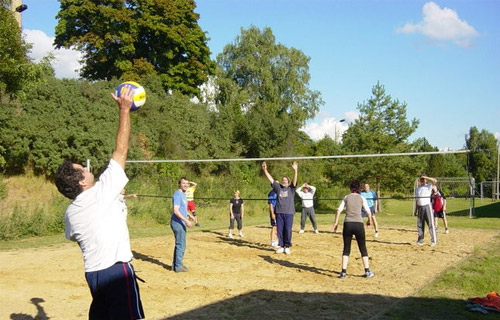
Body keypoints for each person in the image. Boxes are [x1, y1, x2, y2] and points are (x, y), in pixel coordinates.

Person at [54, 85, 145, 319]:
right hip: (116, 271)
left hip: (93, 275)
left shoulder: (70, 213)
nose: (86, 168)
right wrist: (124, 110)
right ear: (82, 182)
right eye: (82, 169)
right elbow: (121, 150)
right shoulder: (99, 194)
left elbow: (77, 236)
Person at [333, 180, 375, 279]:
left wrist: (336, 223)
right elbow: (369, 213)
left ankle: (343, 272)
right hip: (358, 224)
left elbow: (338, 210)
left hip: (347, 224)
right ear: (359, 188)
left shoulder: (346, 197)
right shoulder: (362, 198)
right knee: (362, 248)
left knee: (346, 249)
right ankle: (367, 271)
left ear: (350, 188)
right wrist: (369, 221)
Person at [261, 161, 298, 255]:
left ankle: (287, 246)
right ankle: (281, 246)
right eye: (283, 180)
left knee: (288, 230)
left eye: (286, 180)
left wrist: (295, 170)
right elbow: (271, 179)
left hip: (289, 212)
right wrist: (265, 170)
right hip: (279, 212)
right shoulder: (278, 188)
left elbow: (294, 180)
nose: (284, 181)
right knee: (280, 229)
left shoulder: (291, 189)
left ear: (288, 182)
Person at [171, 177, 196, 272]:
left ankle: (176, 265)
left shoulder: (183, 194)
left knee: (180, 244)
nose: (185, 185)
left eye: (187, 183)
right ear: (179, 184)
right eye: (183, 183)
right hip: (177, 222)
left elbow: (183, 208)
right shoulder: (177, 195)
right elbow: (176, 210)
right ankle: (178, 266)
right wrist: (186, 220)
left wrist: (190, 215)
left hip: (181, 222)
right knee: (181, 244)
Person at [414, 175, 438, 246]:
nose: (422, 180)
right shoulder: (417, 189)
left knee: (430, 224)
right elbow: (417, 200)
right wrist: (416, 210)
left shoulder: (428, 186)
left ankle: (433, 240)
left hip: (427, 206)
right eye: (421, 179)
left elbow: (435, 180)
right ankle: (420, 240)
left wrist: (426, 177)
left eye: (423, 179)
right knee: (420, 224)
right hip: (420, 207)